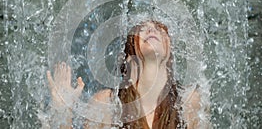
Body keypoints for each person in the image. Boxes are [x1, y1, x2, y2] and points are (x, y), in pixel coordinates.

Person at [46, 20, 201, 129]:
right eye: (141, 29)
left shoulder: (187, 102)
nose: (152, 30)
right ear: (128, 56)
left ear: (169, 54)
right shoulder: (107, 103)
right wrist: (62, 111)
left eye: (160, 29)